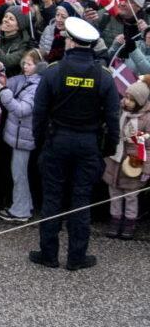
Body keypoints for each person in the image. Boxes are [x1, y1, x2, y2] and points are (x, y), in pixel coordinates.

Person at [32, 16, 120, 272]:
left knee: (52, 198)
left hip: (57, 140)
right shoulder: (103, 76)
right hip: (88, 143)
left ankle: (48, 254)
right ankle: (76, 257)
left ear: (70, 41)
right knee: (81, 200)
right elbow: (112, 118)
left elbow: (39, 113)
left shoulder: (54, 70)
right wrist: (108, 148)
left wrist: (41, 143)